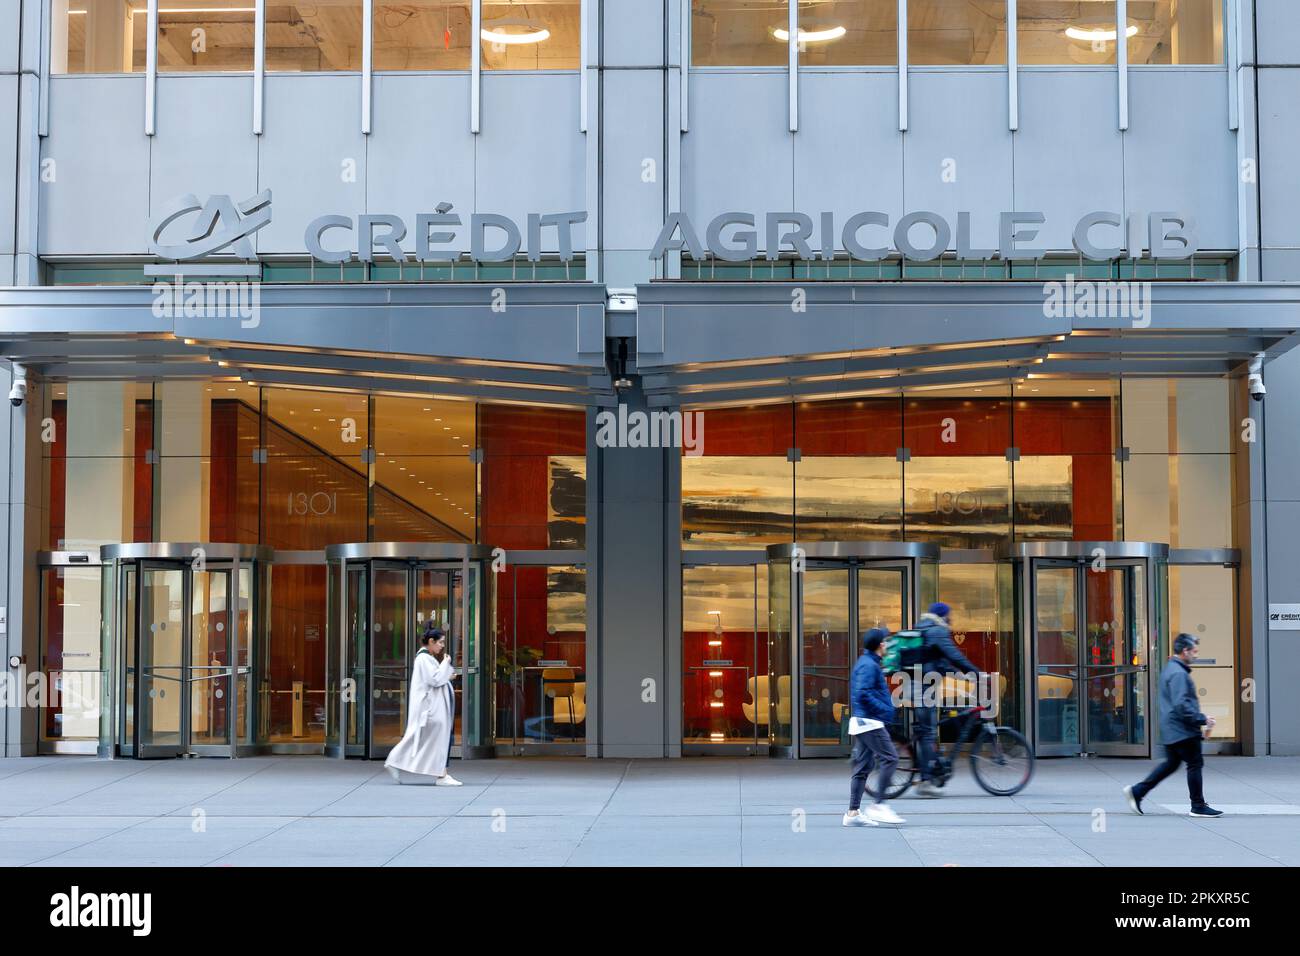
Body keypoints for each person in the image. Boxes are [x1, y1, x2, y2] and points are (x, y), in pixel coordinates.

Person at [1124, 633, 1222, 818]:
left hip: (1173, 728)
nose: (1196, 655)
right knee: (1194, 763)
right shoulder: (1178, 674)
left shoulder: (1171, 669)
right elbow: (1181, 705)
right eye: (1194, 651)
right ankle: (1198, 805)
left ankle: (1138, 791)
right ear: (1185, 651)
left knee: (1171, 764)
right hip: (1182, 729)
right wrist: (1202, 719)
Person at [910, 602, 978, 797]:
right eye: (949, 615)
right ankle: (925, 781)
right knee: (929, 733)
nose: (951, 619)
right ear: (942, 615)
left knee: (927, 731)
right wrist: (976, 672)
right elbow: (954, 655)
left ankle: (931, 770)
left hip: (919, 686)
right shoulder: (937, 631)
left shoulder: (924, 629)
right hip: (923, 688)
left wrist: (963, 675)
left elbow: (941, 663)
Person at [385, 626, 463, 786]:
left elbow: (436, 677)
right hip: (430, 710)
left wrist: (446, 672)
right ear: (431, 641)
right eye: (440, 642)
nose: (442, 646)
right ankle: (441, 775)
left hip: (430, 709)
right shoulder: (424, 659)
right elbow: (435, 679)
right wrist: (446, 663)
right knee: (428, 740)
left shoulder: (425, 658)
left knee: (423, 740)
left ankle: (440, 773)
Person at [844, 628, 906, 827]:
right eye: (886, 642)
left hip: (864, 721)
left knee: (863, 767)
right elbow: (862, 693)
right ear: (880, 645)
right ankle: (879, 805)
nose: (888, 645)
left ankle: (853, 813)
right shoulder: (869, 665)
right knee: (891, 758)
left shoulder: (868, 663)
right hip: (869, 721)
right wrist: (885, 710)